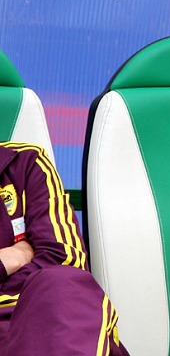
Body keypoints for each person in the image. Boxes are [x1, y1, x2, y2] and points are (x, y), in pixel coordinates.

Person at [0, 141, 128, 356]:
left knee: (62, 285)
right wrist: (9, 260)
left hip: (47, 325)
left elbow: (66, 260)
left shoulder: (25, 161)